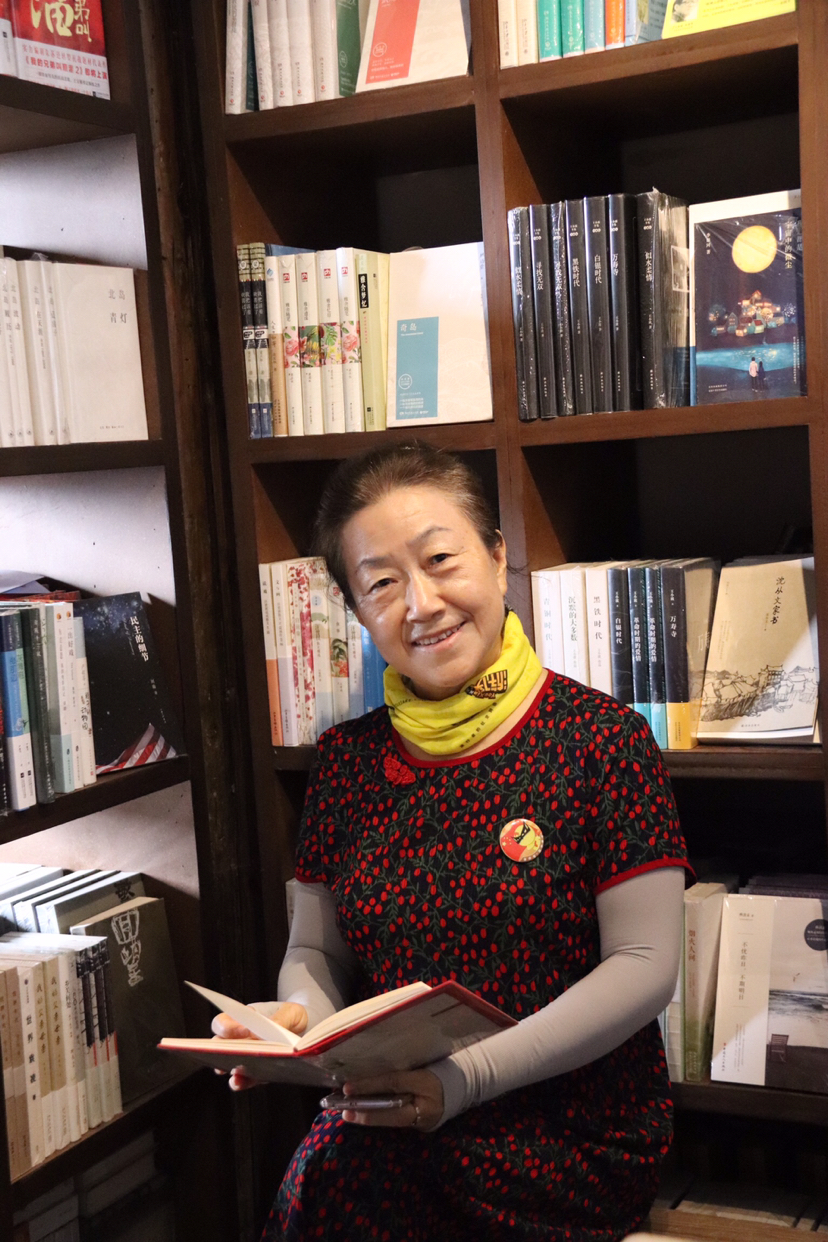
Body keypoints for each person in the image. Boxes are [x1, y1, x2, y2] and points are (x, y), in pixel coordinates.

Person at [213, 442, 690, 1242]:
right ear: (358, 611)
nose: (422, 603)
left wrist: (463, 1080)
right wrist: (298, 1020)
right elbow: (317, 953)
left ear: (498, 560)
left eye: (441, 561)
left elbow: (645, 966)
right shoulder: (347, 760)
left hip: (567, 1122)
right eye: (381, 584)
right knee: (325, 1179)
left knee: (349, 1189)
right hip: (396, 1100)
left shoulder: (602, 740)